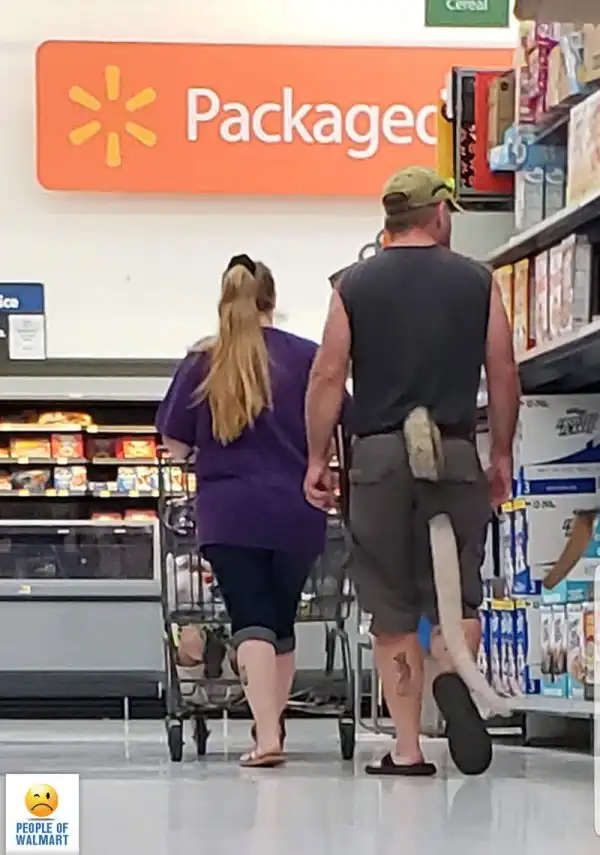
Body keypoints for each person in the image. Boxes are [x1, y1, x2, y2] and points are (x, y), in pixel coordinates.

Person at [304, 166, 519, 777]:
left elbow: (327, 374)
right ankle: (454, 676)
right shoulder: (478, 281)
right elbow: (503, 370)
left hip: (378, 457)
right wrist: (500, 454)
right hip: (452, 450)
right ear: (440, 213)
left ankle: (406, 747)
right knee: (458, 591)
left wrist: (318, 458)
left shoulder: (353, 284)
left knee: (392, 607)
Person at [157, 255, 329, 768]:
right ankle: (273, 725)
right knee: (281, 620)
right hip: (298, 507)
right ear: (272, 300)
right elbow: (339, 418)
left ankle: (267, 734)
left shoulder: (204, 360)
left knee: (249, 617)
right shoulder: (307, 357)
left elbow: (174, 443)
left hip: (229, 512)